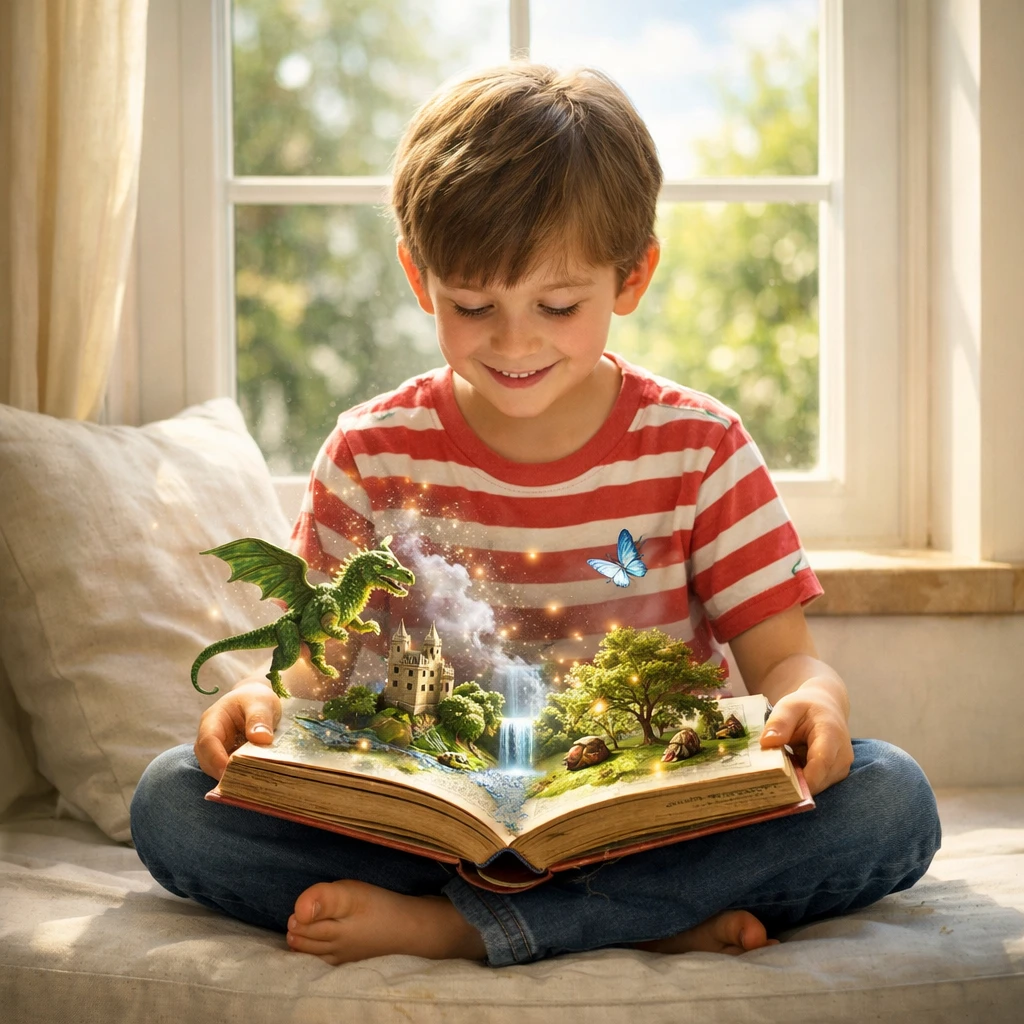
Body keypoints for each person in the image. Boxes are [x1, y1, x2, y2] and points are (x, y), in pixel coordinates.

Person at [131, 63, 941, 967]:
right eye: (472, 307)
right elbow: (314, 677)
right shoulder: (371, 453)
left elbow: (784, 658)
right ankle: (647, 922)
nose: (514, 343)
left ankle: (468, 929)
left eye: (558, 306)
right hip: (429, 830)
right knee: (170, 801)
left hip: (654, 823)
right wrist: (261, 708)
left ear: (633, 277)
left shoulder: (700, 448)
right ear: (417, 275)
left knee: (889, 798)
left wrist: (813, 702)